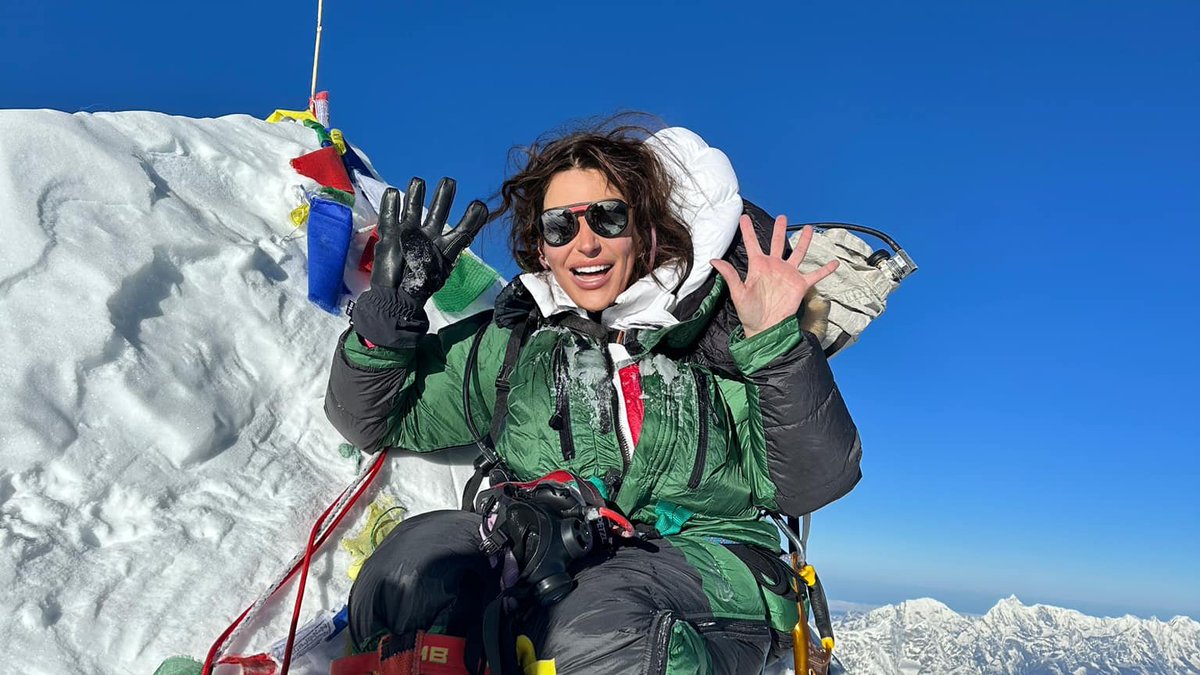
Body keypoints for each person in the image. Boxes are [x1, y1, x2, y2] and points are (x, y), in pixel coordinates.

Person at [324, 124, 862, 674]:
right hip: (539, 551)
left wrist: (775, 342)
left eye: (608, 217)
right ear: (541, 245)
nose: (585, 244)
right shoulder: (514, 343)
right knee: (412, 574)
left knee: (600, 636)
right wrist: (389, 316)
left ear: (646, 228)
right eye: (559, 226)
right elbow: (372, 420)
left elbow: (814, 479)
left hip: (700, 572)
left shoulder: (719, 340)